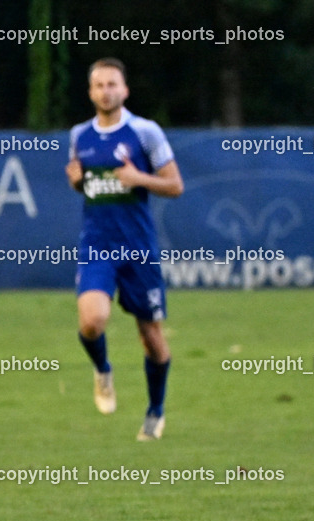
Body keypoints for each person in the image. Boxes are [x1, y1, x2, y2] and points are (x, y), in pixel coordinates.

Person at [64, 57, 184, 441]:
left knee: (151, 336)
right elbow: (82, 183)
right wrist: (77, 182)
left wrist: (138, 178)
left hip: (139, 248)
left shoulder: (145, 132)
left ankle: (156, 409)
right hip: (97, 244)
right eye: (99, 85)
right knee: (91, 322)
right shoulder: (80, 135)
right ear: (90, 92)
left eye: (112, 84)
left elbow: (175, 185)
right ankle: (103, 371)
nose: (106, 91)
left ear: (125, 89)